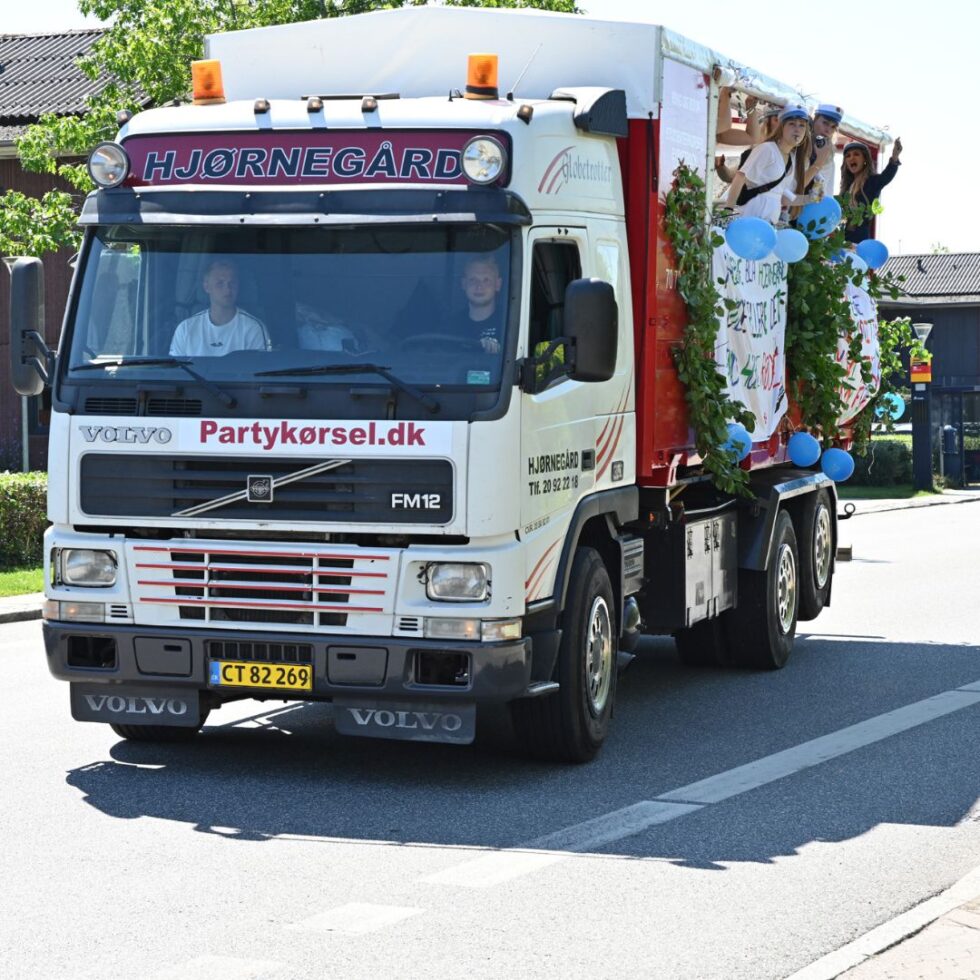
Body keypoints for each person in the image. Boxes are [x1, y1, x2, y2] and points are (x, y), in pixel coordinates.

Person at [724, 105, 815, 224]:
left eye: (802, 125)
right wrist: (728, 209)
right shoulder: (767, 149)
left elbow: (783, 197)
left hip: (769, 220)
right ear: (782, 127)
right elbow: (740, 177)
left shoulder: (792, 159)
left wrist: (811, 198)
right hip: (751, 213)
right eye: (792, 124)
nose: (797, 129)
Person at [169, 258, 269, 357]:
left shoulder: (253, 328)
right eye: (220, 283)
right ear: (207, 287)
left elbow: (259, 368)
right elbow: (176, 370)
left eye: (232, 283)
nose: (227, 289)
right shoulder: (186, 329)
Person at [841, 137, 903, 244]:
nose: (851, 158)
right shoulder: (846, 188)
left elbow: (886, 176)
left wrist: (894, 157)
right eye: (848, 156)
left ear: (865, 159)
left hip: (860, 240)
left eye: (856, 154)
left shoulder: (872, 182)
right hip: (842, 238)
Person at [455, 255, 505, 354]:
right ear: (464, 284)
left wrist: (498, 351)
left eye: (486, 280)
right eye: (473, 280)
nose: (479, 287)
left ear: (498, 284)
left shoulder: (508, 323)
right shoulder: (450, 325)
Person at [810, 104, 843, 196]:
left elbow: (822, 190)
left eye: (833, 127)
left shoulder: (829, 153)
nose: (828, 130)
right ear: (814, 120)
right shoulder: (801, 144)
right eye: (825, 123)